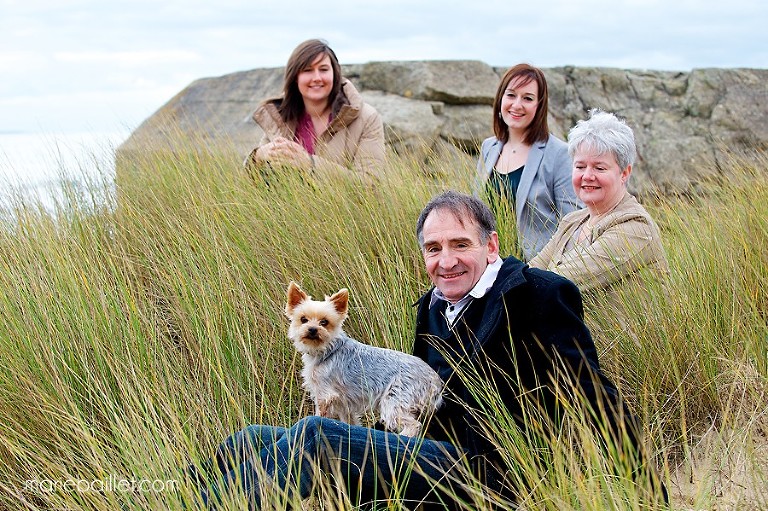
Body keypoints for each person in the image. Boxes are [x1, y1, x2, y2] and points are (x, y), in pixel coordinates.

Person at [189, 191, 665, 509]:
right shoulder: (431, 309)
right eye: (434, 249)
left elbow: (593, 393)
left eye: (461, 244)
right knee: (249, 439)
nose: (447, 260)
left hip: (496, 472)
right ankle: (168, 493)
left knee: (317, 435)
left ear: (491, 245)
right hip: (431, 447)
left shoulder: (540, 293)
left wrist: (647, 493)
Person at [528, 109, 669, 298]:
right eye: (580, 166)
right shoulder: (572, 222)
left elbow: (559, 282)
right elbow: (530, 272)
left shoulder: (636, 227)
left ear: (625, 173)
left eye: (599, 168)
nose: (587, 176)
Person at [476, 63, 581, 261]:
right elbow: (476, 213)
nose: (517, 105)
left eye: (528, 98)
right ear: (500, 98)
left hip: (535, 269)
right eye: (511, 95)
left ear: (539, 106)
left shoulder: (559, 154)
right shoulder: (488, 148)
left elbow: (574, 224)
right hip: (489, 266)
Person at [245, 39, 385, 182]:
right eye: (307, 70)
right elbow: (253, 186)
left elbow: (371, 184)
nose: (317, 78)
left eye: (323, 69)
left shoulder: (367, 118)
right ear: (295, 78)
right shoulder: (279, 116)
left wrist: (310, 164)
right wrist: (258, 157)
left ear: (334, 74)